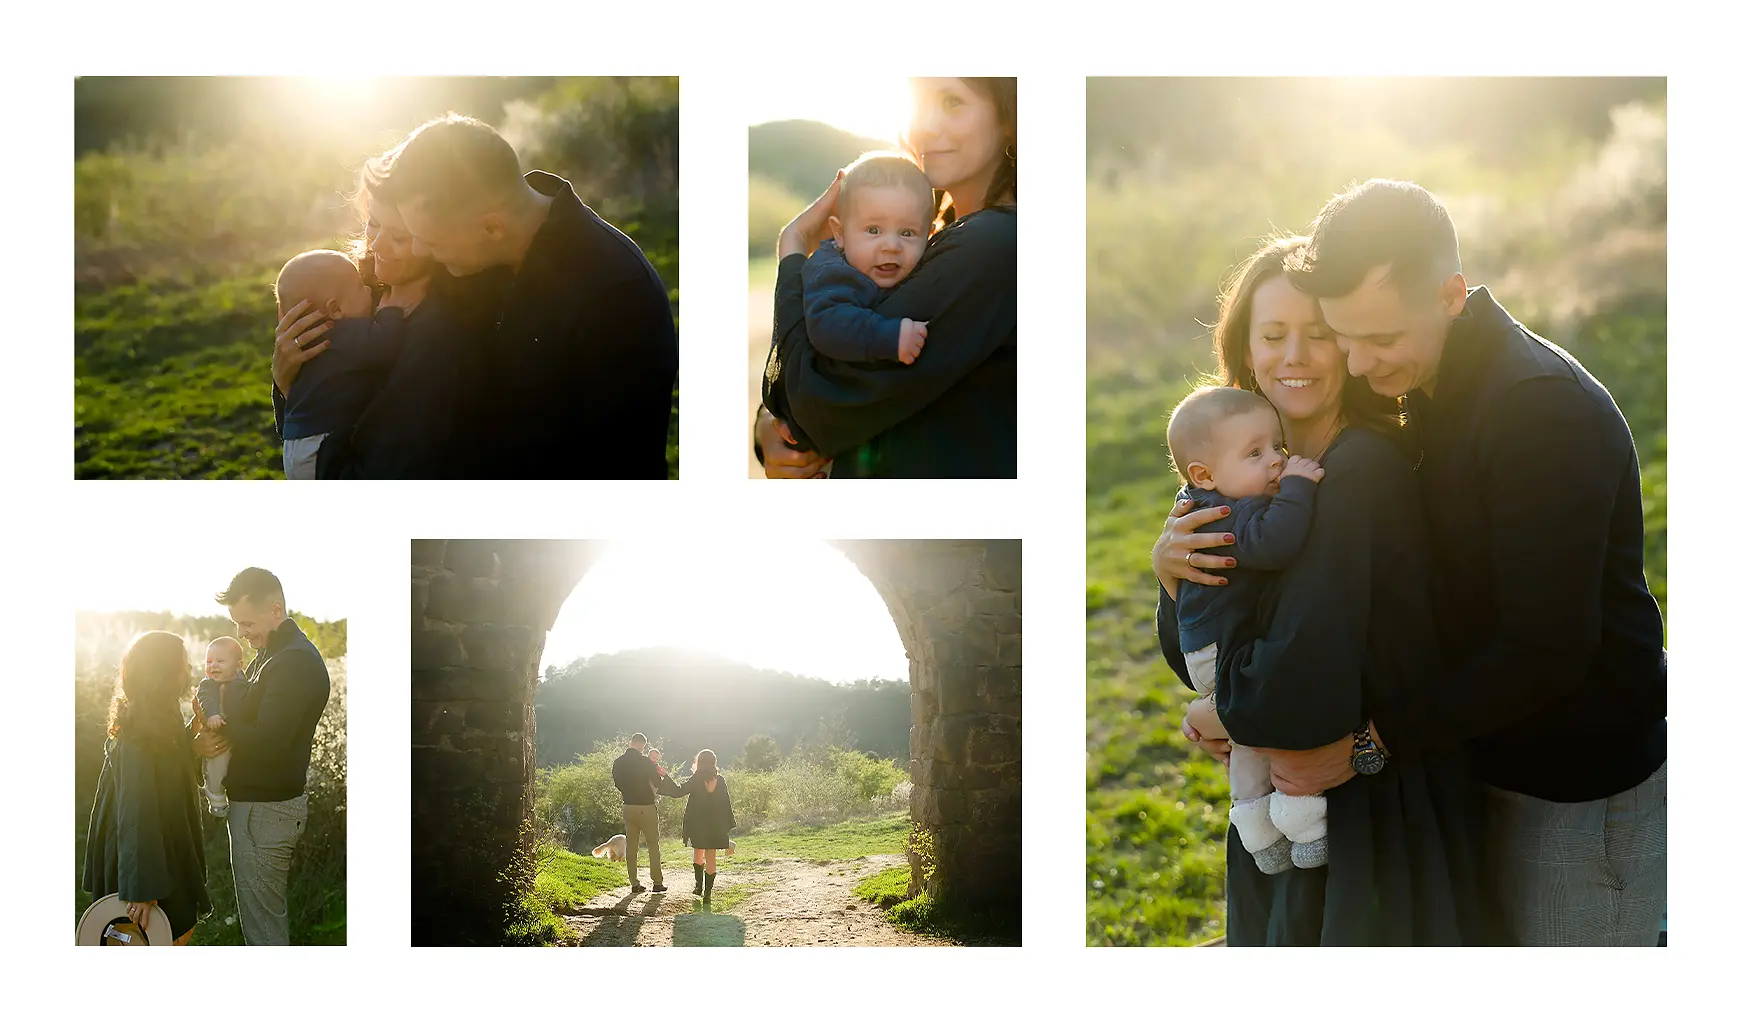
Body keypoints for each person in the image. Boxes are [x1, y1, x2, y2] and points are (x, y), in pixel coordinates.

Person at [1159, 182, 1668, 945]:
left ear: (1451, 295)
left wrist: (1340, 737)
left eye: (1376, 339)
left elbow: (1547, 646)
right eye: (1347, 335)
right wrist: (1176, 580)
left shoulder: (1536, 414)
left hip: (1572, 777)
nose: (1359, 362)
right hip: (1469, 750)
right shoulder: (1416, 389)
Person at [1152, 235, 1487, 945]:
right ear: (1246, 351)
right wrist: (1168, 577)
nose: (1295, 356)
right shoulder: (1232, 486)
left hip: (1366, 814)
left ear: (1350, 348)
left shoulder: (1356, 472)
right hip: (1290, 803)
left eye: (1320, 335)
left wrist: (1222, 718)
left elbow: (1294, 686)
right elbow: (1193, 657)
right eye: (1274, 335)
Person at [363, 113, 677, 478]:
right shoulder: (466, 247)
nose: (419, 249)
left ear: (493, 228)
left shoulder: (617, 296)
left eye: (428, 240)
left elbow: (616, 469)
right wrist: (292, 381)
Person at [758, 77, 1017, 478]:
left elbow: (813, 399)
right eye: (919, 102)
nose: (925, 126)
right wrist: (768, 424)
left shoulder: (992, 246)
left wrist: (794, 249)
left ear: (1010, 115)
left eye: (952, 101)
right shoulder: (933, 237)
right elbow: (836, 341)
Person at [1165, 385, 1325, 874]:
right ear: (1205, 474)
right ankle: (1303, 819)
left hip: (1207, 644)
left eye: (1277, 447)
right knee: (1263, 724)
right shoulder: (1229, 514)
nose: (1277, 460)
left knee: (1248, 742)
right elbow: (1275, 543)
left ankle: (1258, 829)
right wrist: (1299, 487)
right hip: (1221, 645)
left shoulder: (1198, 503)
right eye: (1255, 453)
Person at [270, 186, 472, 478]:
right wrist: (285, 379)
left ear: (435, 240)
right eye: (374, 223)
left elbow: (395, 453)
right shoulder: (359, 287)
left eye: (399, 236)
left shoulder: (438, 329)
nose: (377, 243)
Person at [192, 567, 331, 945]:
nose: (241, 633)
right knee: (258, 918)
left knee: (263, 923)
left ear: (275, 608)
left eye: (247, 622)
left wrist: (218, 726)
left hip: (267, 809)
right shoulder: (271, 654)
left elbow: (268, 740)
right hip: (256, 804)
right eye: (237, 624)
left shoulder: (294, 662)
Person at [82, 631, 212, 946]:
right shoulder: (137, 729)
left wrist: (191, 739)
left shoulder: (161, 713)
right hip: (142, 853)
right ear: (164, 672)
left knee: (172, 929)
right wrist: (141, 889)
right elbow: (136, 811)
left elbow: (167, 763)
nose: (189, 669)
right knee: (148, 934)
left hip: (163, 841)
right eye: (183, 664)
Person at [661, 749, 735, 905]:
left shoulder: (696, 779)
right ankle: (707, 895)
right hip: (716, 825)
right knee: (711, 857)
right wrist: (727, 826)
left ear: (699, 763)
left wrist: (665, 777)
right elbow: (726, 803)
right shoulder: (720, 780)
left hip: (699, 825)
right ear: (714, 762)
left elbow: (677, 791)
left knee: (698, 853)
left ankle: (698, 886)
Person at [195, 637, 245, 818]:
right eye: (209, 661)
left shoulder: (243, 684)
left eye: (220, 661)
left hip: (237, 733)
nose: (213, 665)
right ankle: (215, 797)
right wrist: (212, 715)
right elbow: (205, 699)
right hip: (217, 729)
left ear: (238, 666)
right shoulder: (208, 684)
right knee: (218, 764)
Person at [611, 734, 667, 894]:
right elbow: (658, 783)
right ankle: (657, 883)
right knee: (653, 844)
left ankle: (634, 884)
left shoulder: (618, 762)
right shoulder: (646, 763)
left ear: (631, 743)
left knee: (632, 846)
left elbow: (618, 784)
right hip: (646, 807)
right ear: (643, 746)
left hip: (628, 806)